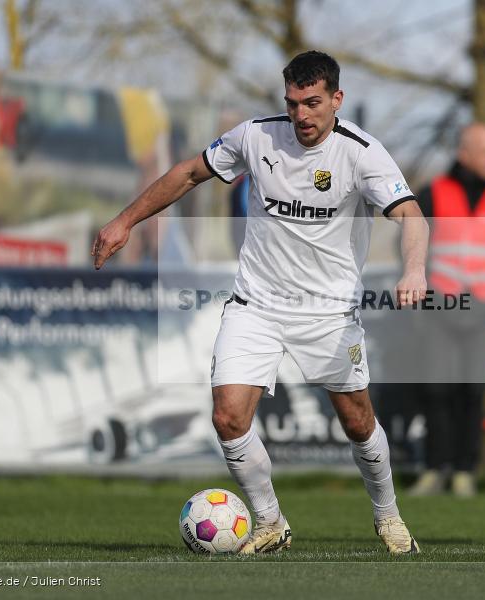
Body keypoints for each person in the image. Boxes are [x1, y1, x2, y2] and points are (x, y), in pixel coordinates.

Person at [92, 51, 428, 554]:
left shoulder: (362, 153)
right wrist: (125, 221)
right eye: (292, 103)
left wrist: (415, 268)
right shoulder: (256, 136)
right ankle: (271, 522)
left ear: (337, 99)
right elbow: (187, 174)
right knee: (228, 417)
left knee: (358, 422)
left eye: (313, 103)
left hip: (328, 311)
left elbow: (411, 217)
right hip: (257, 303)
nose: (301, 116)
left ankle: (388, 516)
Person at [409, 123, 485, 497]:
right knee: (435, 389)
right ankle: (434, 469)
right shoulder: (434, 192)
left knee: (471, 391)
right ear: (465, 154)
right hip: (439, 308)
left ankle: (465, 471)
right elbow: (412, 243)